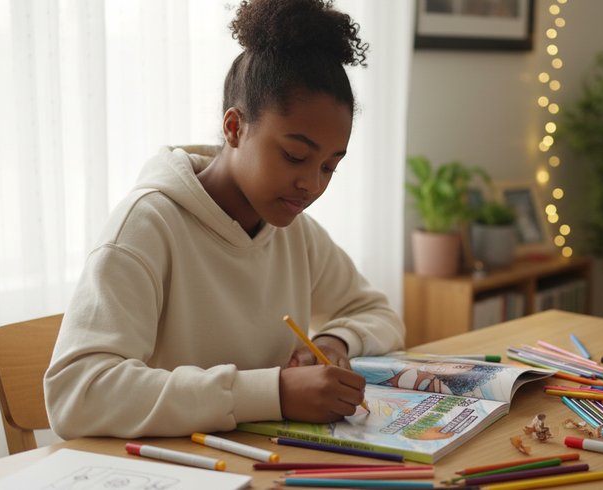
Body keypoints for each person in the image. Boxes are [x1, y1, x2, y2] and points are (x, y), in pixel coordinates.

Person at [44, 0, 405, 440]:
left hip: (267, 462)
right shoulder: (147, 227)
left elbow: (377, 312)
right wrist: (271, 393)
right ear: (234, 128)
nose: (311, 185)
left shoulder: (294, 231)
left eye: (330, 166)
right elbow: (75, 395)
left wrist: (334, 343)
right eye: (295, 155)